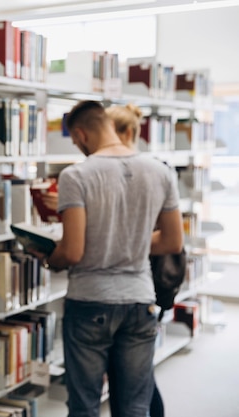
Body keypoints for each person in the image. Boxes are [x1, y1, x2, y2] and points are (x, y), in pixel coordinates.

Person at [31, 100, 183, 417]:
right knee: (134, 407)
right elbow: (172, 240)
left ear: (82, 134)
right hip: (140, 301)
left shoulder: (76, 176)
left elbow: (72, 251)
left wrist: (48, 258)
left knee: (85, 406)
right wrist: (132, 242)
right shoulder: (161, 171)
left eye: (74, 141)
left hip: (90, 302)